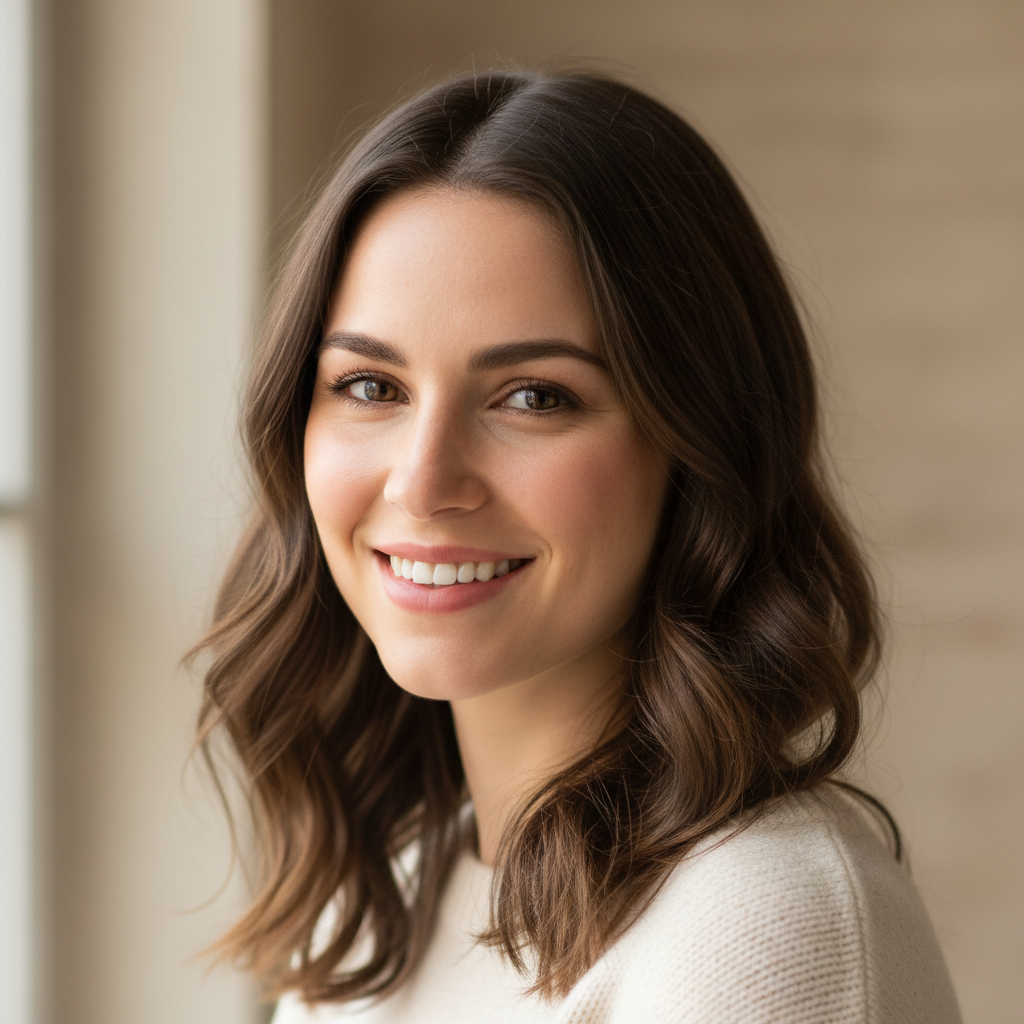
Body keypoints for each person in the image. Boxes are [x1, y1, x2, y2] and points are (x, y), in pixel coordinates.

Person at [194, 69, 962, 1022]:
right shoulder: (380, 910)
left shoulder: (762, 923)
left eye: (534, 397)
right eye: (369, 386)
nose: (423, 483)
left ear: (697, 447)